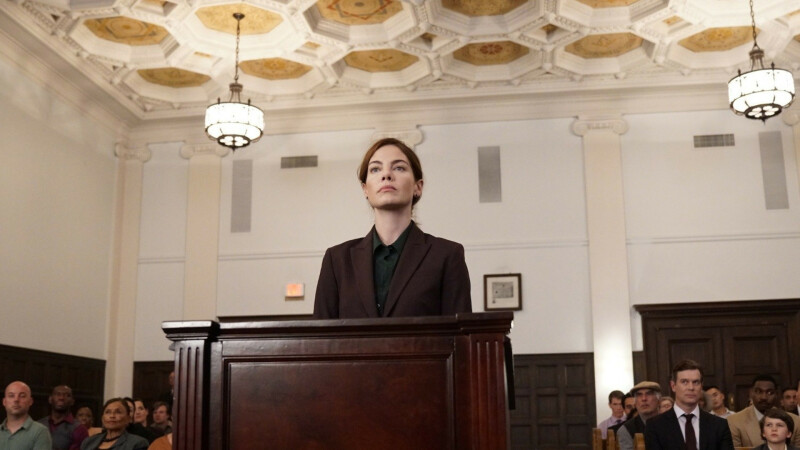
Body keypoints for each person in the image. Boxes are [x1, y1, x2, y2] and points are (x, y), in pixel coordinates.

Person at [313, 137, 472, 318]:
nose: (386, 175)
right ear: (365, 189)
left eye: (399, 168)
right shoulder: (337, 260)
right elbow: (320, 334)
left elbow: (459, 333)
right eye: (375, 169)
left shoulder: (447, 255)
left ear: (418, 187)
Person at [644, 359, 733, 450]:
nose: (691, 387)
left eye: (696, 382)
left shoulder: (719, 425)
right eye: (684, 382)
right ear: (673, 386)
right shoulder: (655, 426)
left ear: (701, 386)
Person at [728, 374, 800, 447]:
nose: (764, 397)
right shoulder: (734, 421)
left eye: (769, 392)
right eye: (759, 392)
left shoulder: (795, 421)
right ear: (751, 393)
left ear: (776, 394)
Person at [1, 381, 52, 449]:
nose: (16, 400)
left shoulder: (40, 432)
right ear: (4, 402)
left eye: (22, 396)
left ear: (30, 401)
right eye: (11, 396)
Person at [79, 398, 148, 450]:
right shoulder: (89, 442)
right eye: (108, 412)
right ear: (102, 418)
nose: (112, 416)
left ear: (128, 418)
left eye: (118, 412)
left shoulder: (137, 443)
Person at [37, 385, 88, 450]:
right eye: (57, 394)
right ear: (50, 399)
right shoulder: (38, 425)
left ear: (72, 401)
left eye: (67, 395)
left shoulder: (80, 430)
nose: (61, 398)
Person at [617, 381, 661, 450]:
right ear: (635, 403)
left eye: (649, 394)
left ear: (659, 400)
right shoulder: (626, 429)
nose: (644, 399)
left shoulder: (671, 423)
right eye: (639, 395)